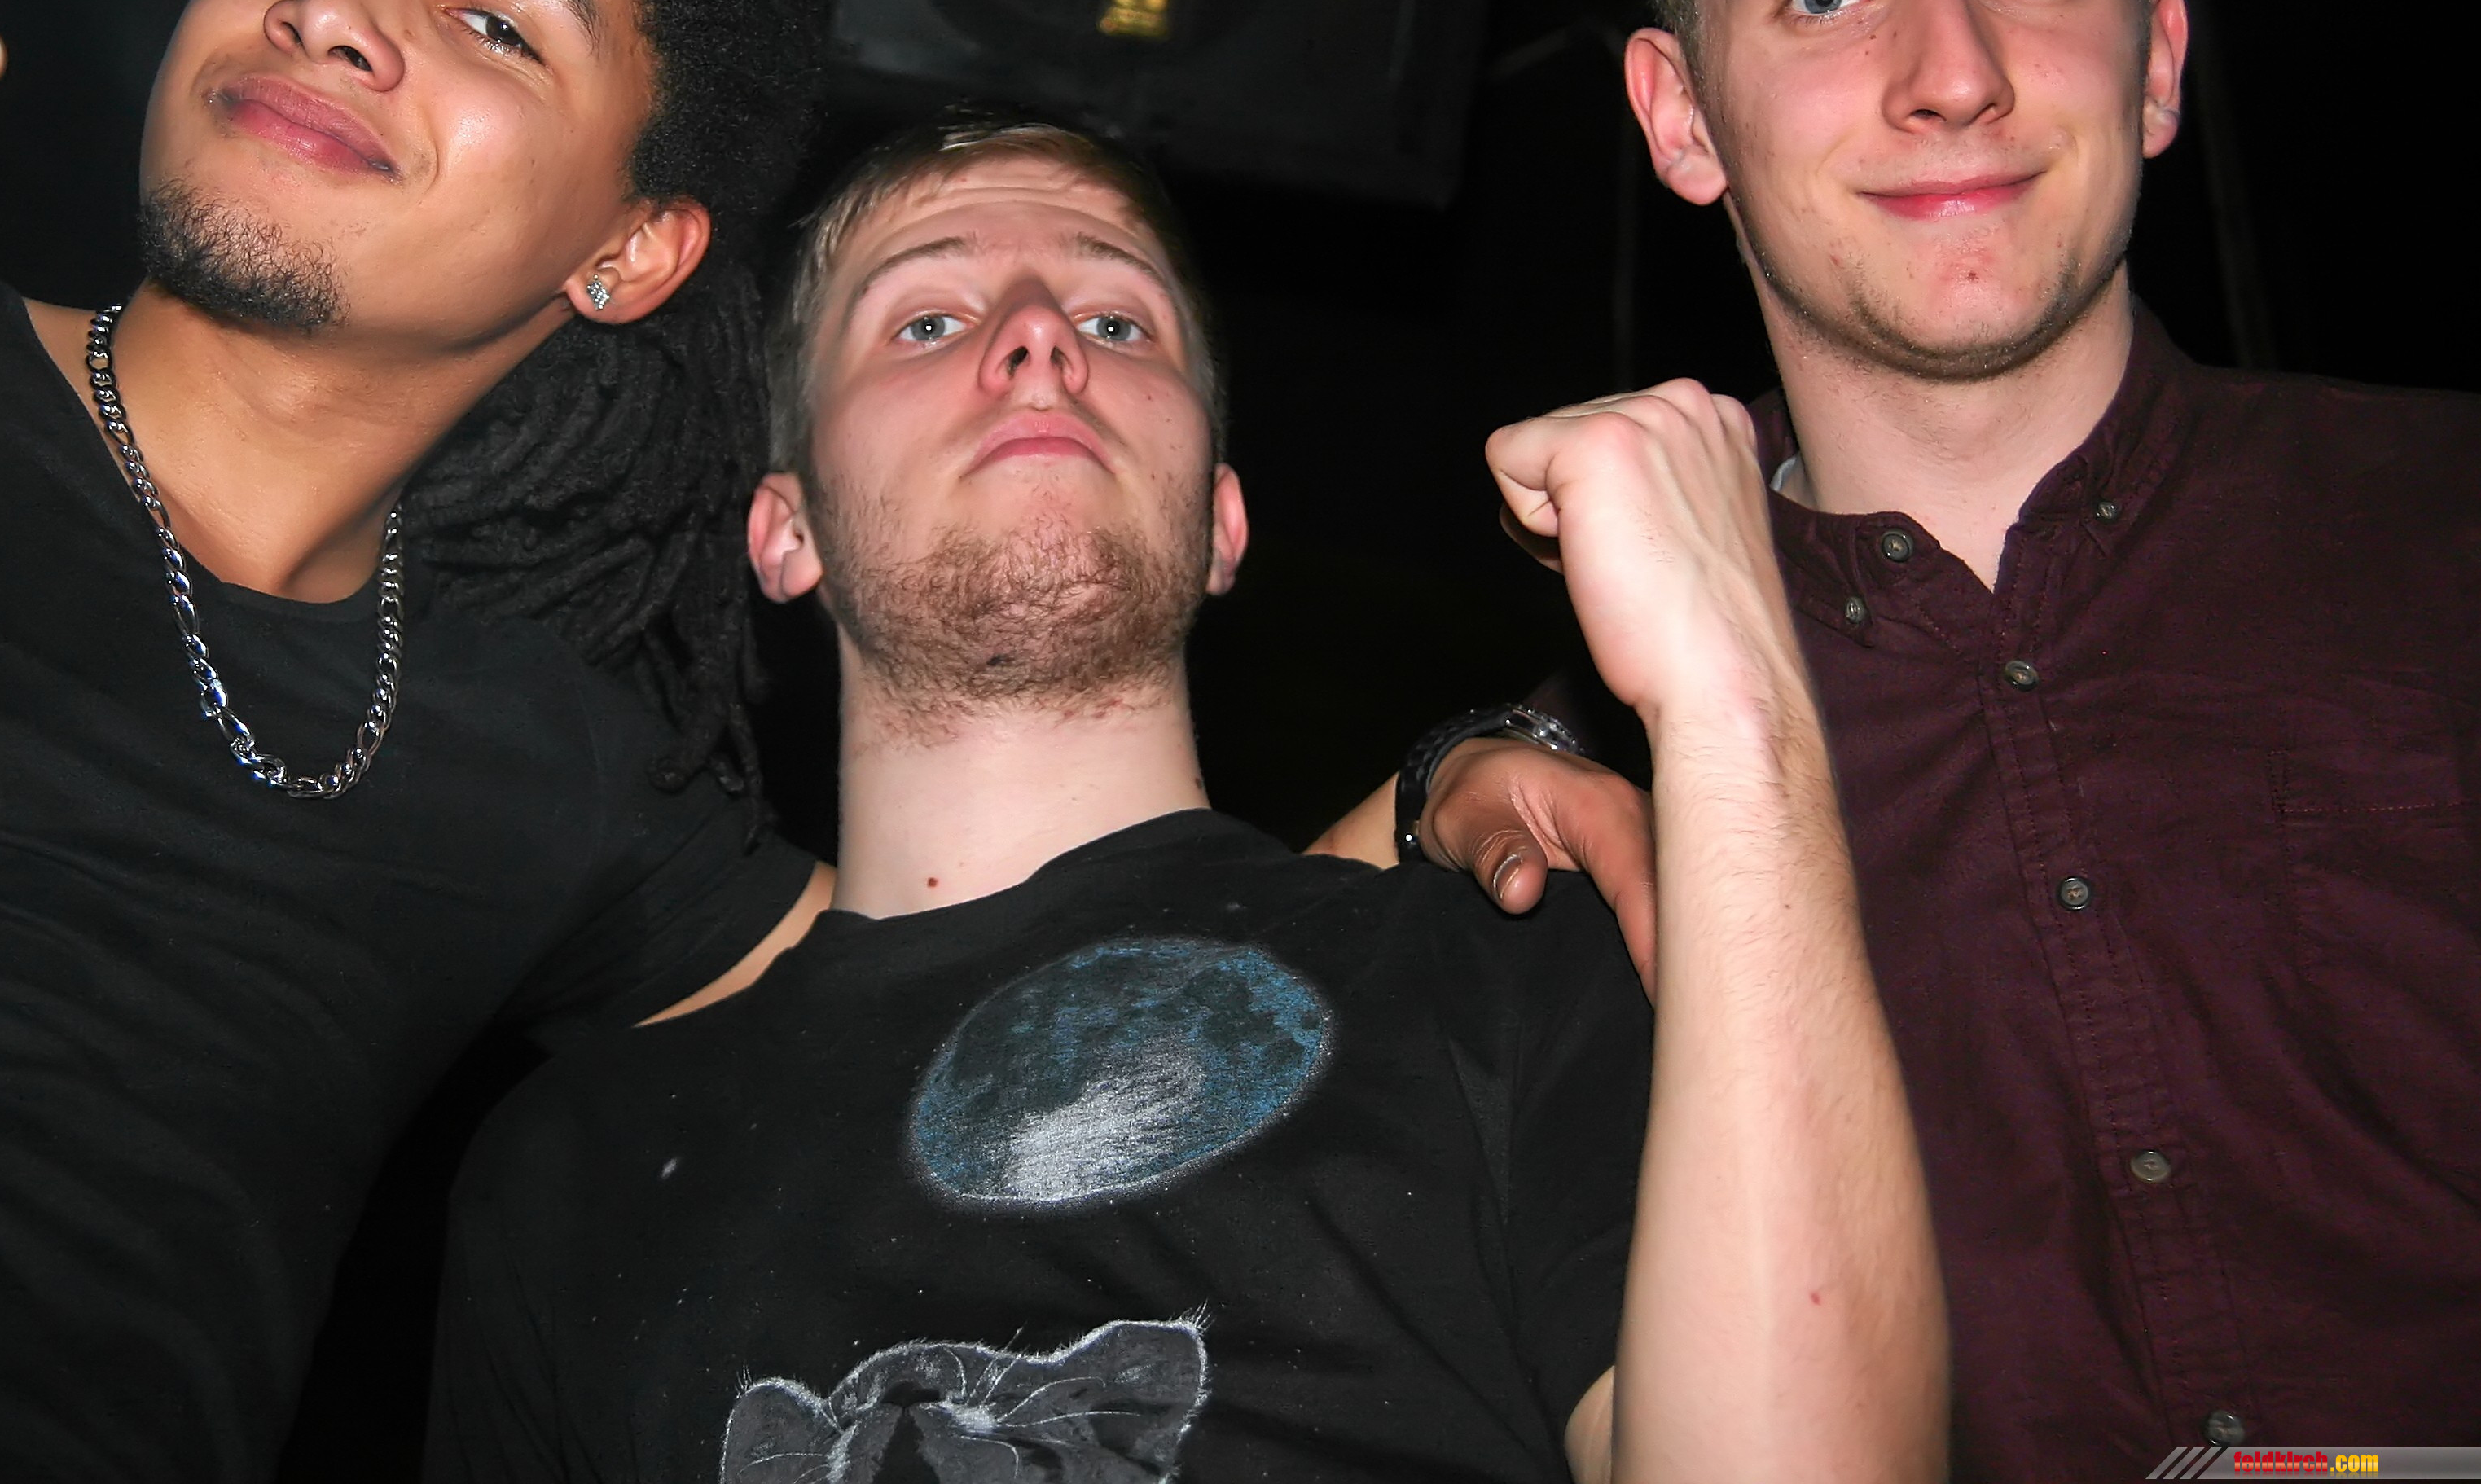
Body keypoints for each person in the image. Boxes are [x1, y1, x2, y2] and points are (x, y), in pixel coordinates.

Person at [0, 0, 1621, 1482]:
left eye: (497, 19)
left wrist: (1448, 789)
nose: (339, 15)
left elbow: (1028, 949)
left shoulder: (536, 770)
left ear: (630, 248)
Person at [425, 116, 1947, 1484]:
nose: (1038, 339)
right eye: (928, 319)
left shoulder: (1506, 957)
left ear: (1220, 519)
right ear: (786, 531)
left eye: (1114, 320)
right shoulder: (573, 1170)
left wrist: (1732, 697)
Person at [1597, 0, 2481, 1475]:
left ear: (2154, 60)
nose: (1956, 73)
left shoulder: (2446, 518)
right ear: (1684, 119)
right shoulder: (1622, 759)